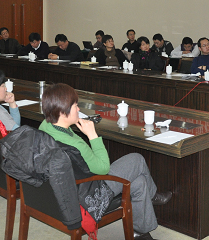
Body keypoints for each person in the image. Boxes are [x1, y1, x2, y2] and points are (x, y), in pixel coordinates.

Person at [39, 84, 172, 239]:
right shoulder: (75, 145)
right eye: (75, 106)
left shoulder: (45, 126)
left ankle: (140, 232)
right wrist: (92, 135)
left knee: (140, 182)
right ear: (63, 112)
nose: (78, 109)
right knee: (137, 159)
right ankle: (152, 195)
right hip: (90, 194)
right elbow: (103, 168)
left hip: (69, 188)